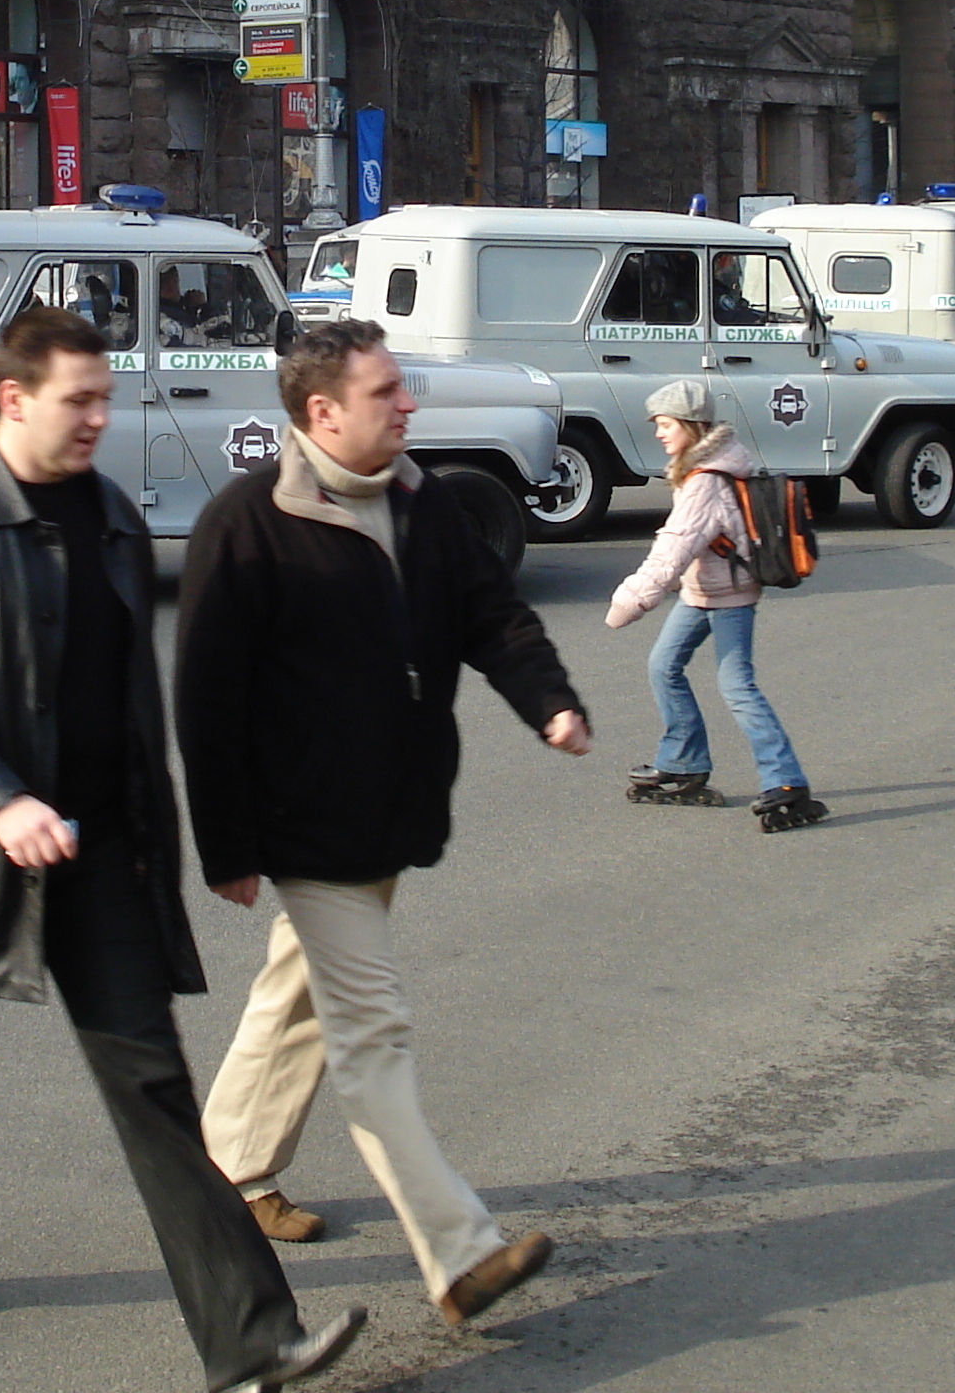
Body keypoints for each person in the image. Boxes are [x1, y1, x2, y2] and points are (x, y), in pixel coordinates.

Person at [0, 306, 363, 1393]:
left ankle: (253, 1343)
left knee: (155, 1091)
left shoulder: (111, 515)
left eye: (105, 398)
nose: (100, 420)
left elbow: (133, 706)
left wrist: (204, 841)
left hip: (98, 850)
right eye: (81, 400)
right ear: (13, 399)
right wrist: (0, 798)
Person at [178, 320, 591, 1330]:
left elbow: (492, 616)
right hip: (305, 821)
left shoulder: (426, 504)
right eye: (386, 393)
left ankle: (225, 1173)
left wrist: (549, 700)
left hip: (390, 810)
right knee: (373, 1030)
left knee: (298, 995)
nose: (409, 406)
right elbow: (206, 696)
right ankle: (460, 1253)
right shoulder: (246, 522)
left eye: (404, 389)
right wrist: (227, 843)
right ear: (321, 413)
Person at [602, 378, 827, 834]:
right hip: (700, 593)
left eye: (665, 424)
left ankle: (786, 782)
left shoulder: (706, 480)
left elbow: (674, 548)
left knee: (736, 686)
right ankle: (683, 760)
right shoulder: (702, 467)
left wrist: (631, 599)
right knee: (663, 666)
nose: (659, 433)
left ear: (691, 424)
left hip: (730, 597)